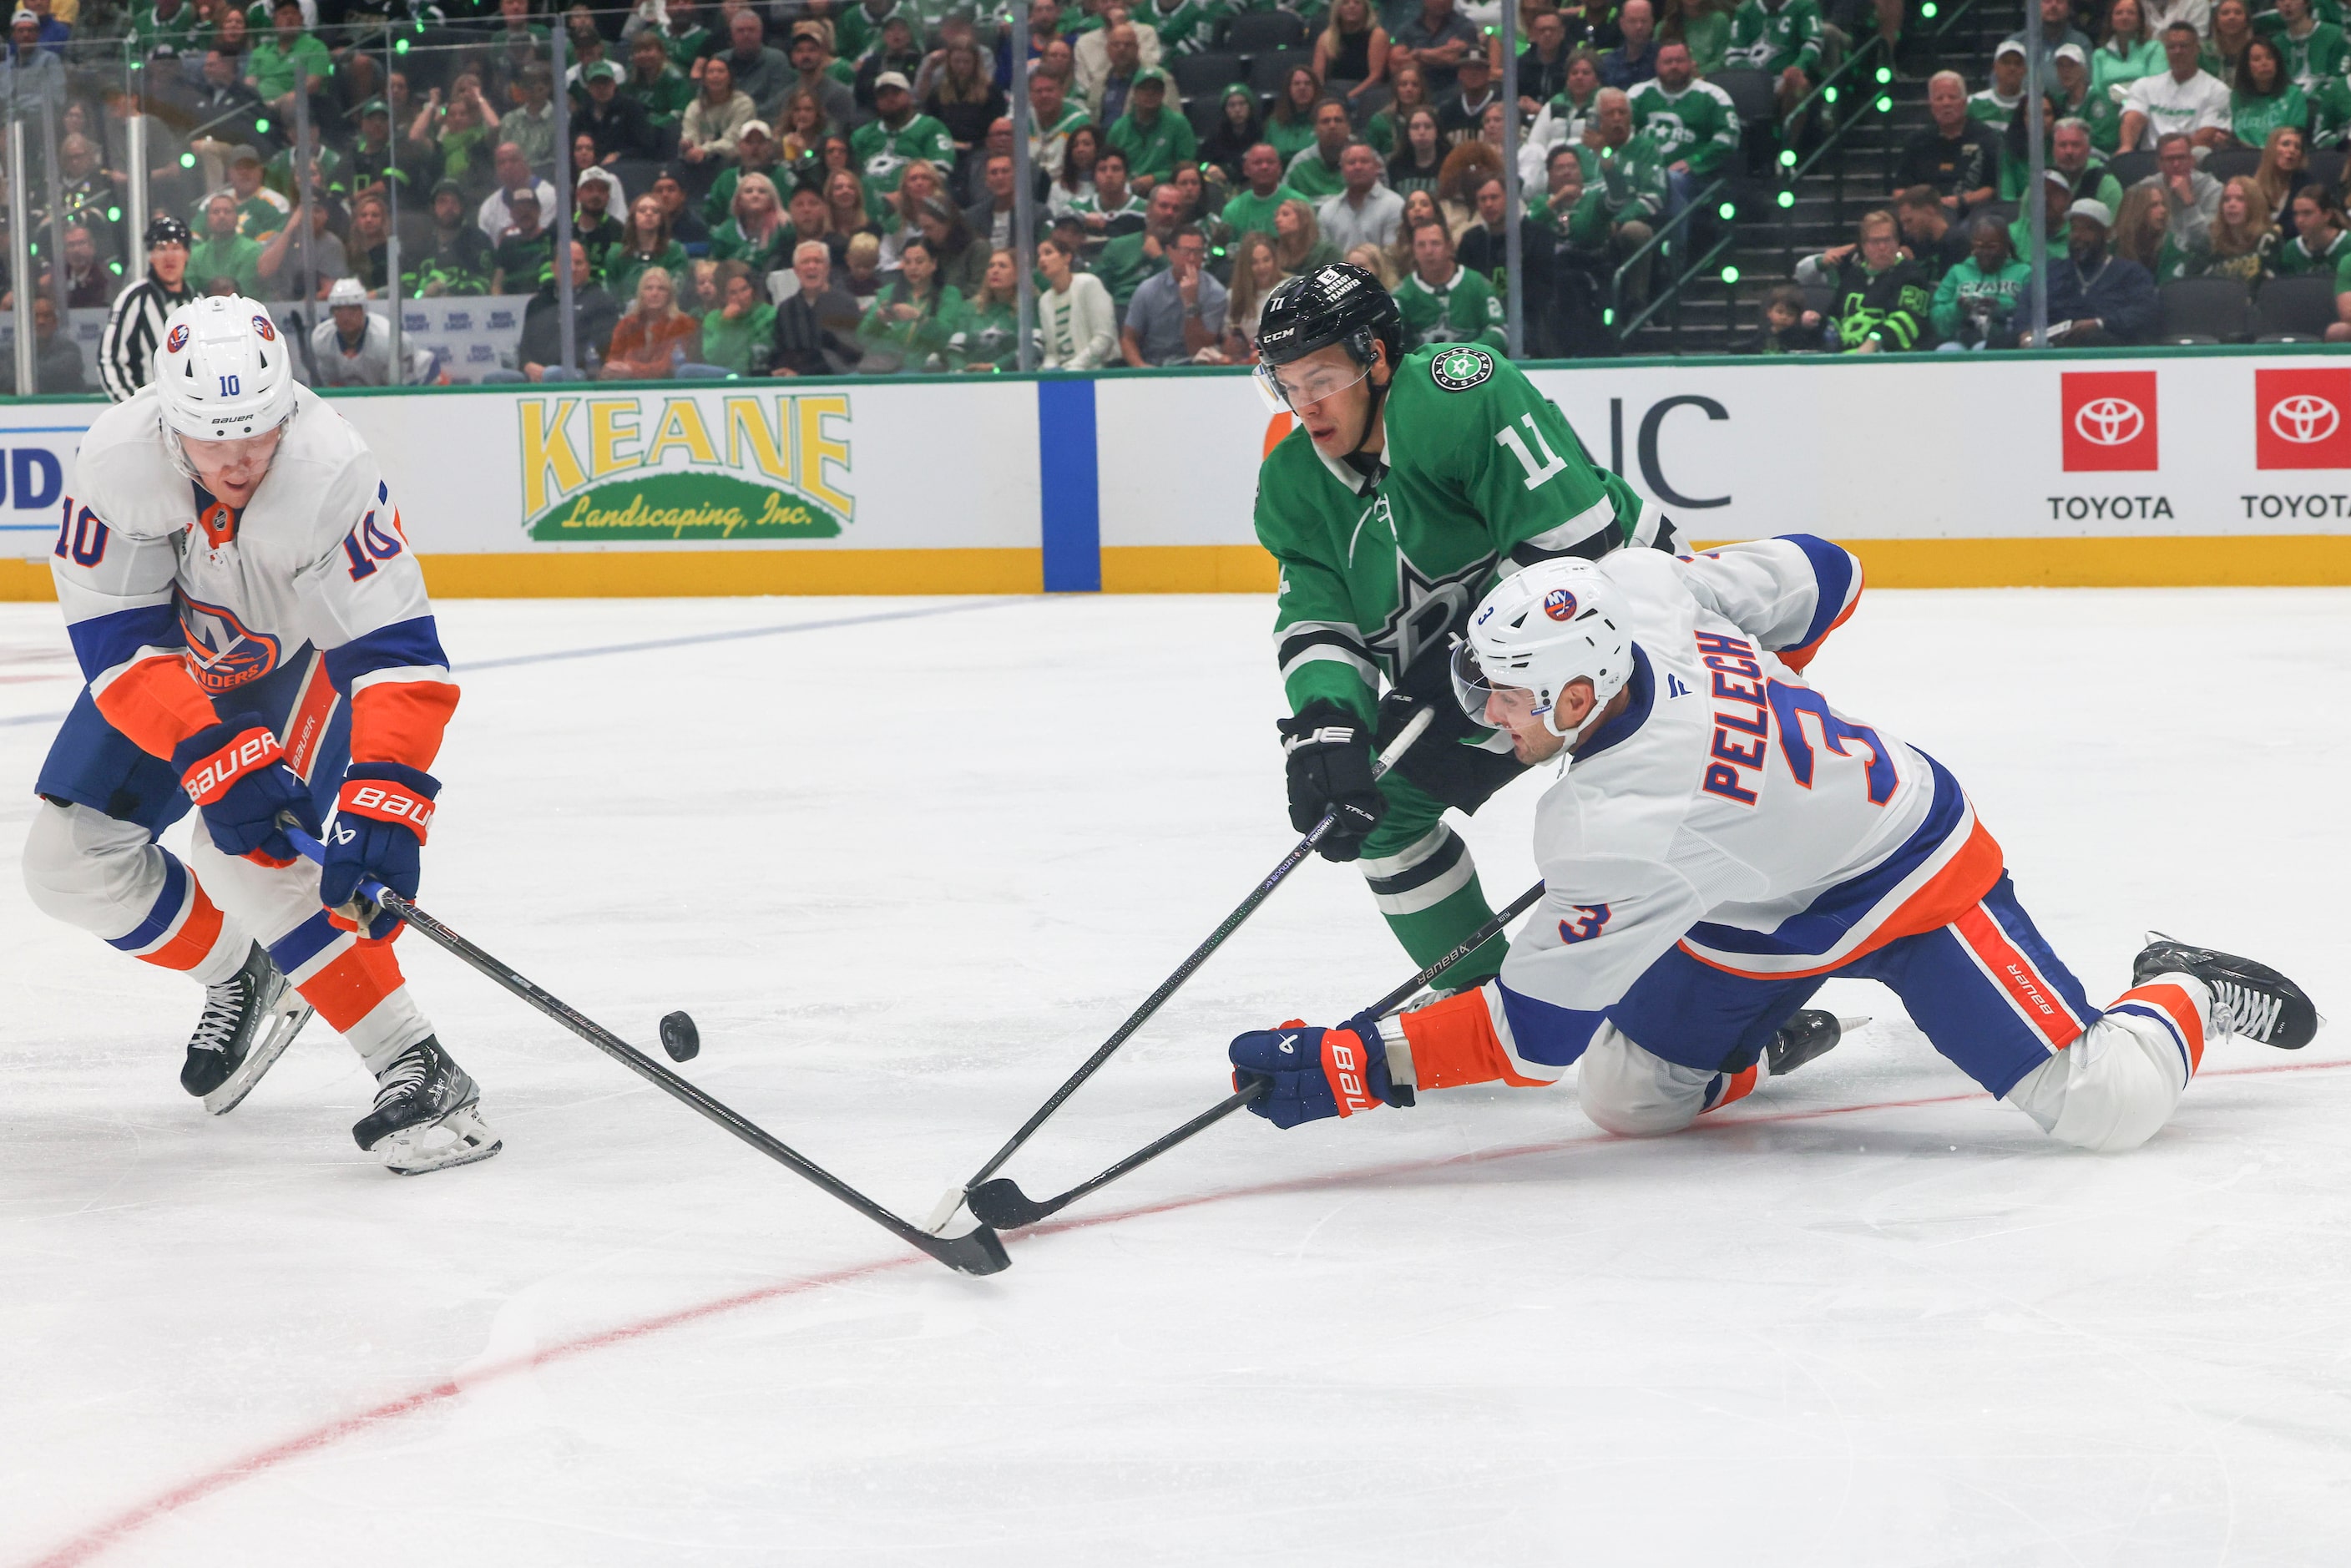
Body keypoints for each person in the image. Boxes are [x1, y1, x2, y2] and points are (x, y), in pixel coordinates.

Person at [1226, 549, 2319, 1159]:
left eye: (1504, 696)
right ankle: (1774, 1028)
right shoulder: (1643, 591)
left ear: (1575, 691)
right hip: (1745, 899)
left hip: (1907, 875)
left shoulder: (1610, 824)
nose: (1484, 716)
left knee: (2105, 1105)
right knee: (1629, 1097)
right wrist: (1762, 683)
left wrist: (1351, 1066)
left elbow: (1529, 1036)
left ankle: (2179, 982)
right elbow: (1827, 574)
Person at [25, 295, 504, 1175]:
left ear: (287, 405)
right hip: (168, 671)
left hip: (295, 665)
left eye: (258, 433)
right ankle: (241, 967)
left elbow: (396, 657)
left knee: (242, 856)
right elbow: (119, 646)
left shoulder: (328, 470)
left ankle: (417, 1065)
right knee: (65, 864)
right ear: (170, 421)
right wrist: (212, 754)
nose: (239, 460)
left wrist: (385, 803)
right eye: (214, 439)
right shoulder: (116, 463)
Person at [1246, 261, 1671, 994]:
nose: (1304, 406)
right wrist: (1329, 723)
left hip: (1631, 620)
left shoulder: (1458, 392)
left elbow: (1582, 555)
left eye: (1320, 380)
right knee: (1381, 813)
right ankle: (1488, 1002)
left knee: (1650, 793)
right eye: (1286, 385)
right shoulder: (1292, 482)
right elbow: (1318, 620)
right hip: (1488, 676)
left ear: (1375, 359)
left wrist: (1459, 673)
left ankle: (1725, 991)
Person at [1794, 208, 1934, 352]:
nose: (1882, 247)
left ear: (1897, 241)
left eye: (1887, 240)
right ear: (1864, 246)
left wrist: (1875, 341)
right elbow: (1836, 317)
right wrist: (1819, 321)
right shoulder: (1853, 275)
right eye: (1875, 241)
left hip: (1890, 359)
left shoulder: (1911, 275)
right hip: (1845, 357)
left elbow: (1908, 320)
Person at [1628, 39, 1739, 217]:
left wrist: (1694, 161)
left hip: (1694, 177)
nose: (1674, 66)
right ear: (1656, 65)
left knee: (1671, 179)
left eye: (1679, 61)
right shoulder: (1637, 94)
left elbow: (1728, 139)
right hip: (1642, 172)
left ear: (1691, 62)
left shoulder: (1714, 95)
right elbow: (1622, 134)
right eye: (1667, 62)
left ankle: (1676, 244)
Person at [100, 215, 198, 401]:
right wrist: (134, 408)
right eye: (161, 248)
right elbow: (110, 360)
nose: (169, 256)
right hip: (149, 415)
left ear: (187, 254)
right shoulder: (134, 299)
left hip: (191, 418)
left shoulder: (196, 301)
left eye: (176, 248)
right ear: (151, 256)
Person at [2041, 198, 2158, 345]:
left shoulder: (2131, 273)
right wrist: (2025, 333)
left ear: (2107, 234)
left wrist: (2100, 323)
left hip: (2112, 351)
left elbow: (2145, 310)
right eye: (2074, 228)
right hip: (2057, 351)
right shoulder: (2054, 270)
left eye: (2087, 229)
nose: (2078, 235)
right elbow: (2028, 305)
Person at [1895, 72, 2004, 225]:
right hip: (1923, 214)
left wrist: (1961, 200)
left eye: (1952, 97)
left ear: (1964, 102)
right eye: (1939, 98)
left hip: (1970, 212)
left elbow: (1992, 188)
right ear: (1931, 105)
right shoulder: (1916, 141)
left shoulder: (1986, 137)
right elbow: (1900, 189)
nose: (1946, 103)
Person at [1121, 223, 1226, 365]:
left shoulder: (1215, 292)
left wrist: (1191, 305)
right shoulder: (1148, 289)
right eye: (1185, 252)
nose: (1191, 258)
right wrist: (1141, 366)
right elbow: (1128, 338)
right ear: (1170, 252)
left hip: (1195, 365)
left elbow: (1199, 350)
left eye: (1197, 252)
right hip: (1153, 364)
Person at [2121, 23, 2233, 152]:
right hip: (2150, 157)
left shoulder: (2217, 89)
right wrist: (2126, 147)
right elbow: (2131, 120)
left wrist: (2171, 155)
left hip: (2193, 158)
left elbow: (2207, 135)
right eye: (2171, 47)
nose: (2177, 51)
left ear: (2197, 49)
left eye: (2184, 46)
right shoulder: (2144, 85)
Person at [518, 240, 622, 377]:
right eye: (566, 263)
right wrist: (527, 365)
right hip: (536, 376)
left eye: (578, 263)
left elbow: (601, 350)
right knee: (496, 378)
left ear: (588, 268)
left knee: (553, 374)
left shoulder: (602, 302)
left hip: (581, 376)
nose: (572, 268)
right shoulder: (537, 304)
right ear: (553, 268)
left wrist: (551, 370)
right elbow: (525, 347)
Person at [309, 276, 436, 387]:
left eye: (352, 309)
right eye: (339, 309)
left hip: (420, 380)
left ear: (364, 310)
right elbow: (333, 385)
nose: (346, 316)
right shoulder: (322, 338)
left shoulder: (386, 339)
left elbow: (395, 393)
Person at [852, 69, 957, 195]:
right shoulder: (861, 135)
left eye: (896, 93)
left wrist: (901, 198)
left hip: (915, 202)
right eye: (883, 95)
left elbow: (939, 173)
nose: (889, 98)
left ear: (910, 96)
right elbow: (848, 176)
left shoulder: (931, 128)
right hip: (867, 203)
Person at [1930, 215, 2030, 348]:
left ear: (2006, 245)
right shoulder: (1957, 272)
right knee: (1946, 350)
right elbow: (1937, 320)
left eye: (1992, 247)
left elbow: (2031, 313)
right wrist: (1958, 308)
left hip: (2005, 343)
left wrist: (2000, 307)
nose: (1984, 253)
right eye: (1979, 246)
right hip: (1962, 339)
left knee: (1981, 348)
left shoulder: (2024, 272)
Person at [768, 238, 862, 373]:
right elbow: (782, 350)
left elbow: (847, 355)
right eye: (805, 262)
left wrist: (802, 374)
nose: (811, 266)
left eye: (817, 261)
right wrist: (780, 369)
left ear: (827, 268)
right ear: (796, 271)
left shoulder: (846, 304)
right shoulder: (786, 309)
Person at [1726, 0, 1823, 118]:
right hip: (1752, 77)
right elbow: (1734, 56)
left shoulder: (1805, 5)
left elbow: (1813, 43)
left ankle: (1789, 135)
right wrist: (1756, 80)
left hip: (1785, 76)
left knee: (1799, 85)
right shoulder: (1745, 9)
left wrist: (1798, 67)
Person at [1106, 66, 1194, 195]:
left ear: (1163, 94)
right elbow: (1109, 166)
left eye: (1156, 89)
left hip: (1168, 193)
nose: (1150, 93)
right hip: (1127, 194)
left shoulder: (1178, 124)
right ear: (1134, 93)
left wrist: (1155, 179)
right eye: (1144, 88)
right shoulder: (1119, 128)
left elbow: (1187, 168)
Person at [603, 265, 703, 377]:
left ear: (669, 295)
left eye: (661, 288)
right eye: (649, 288)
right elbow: (613, 362)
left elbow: (669, 367)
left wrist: (632, 370)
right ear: (641, 294)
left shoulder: (683, 323)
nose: (654, 293)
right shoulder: (626, 324)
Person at [1034, 232, 1116, 367]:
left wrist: (1075, 366)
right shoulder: (1044, 300)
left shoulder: (1088, 284)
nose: (1042, 260)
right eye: (1039, 256)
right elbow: (1052, 352)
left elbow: (1104, 338)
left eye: (1048, 253)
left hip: (1095, 371)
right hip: (1064, 373)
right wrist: (1049, 370)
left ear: (1067, 258)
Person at [2186, 175, 2279, 281]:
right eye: (2226, 199)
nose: (2231, 204)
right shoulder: (2210, 242)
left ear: (2255, 204)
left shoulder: (2268, 240)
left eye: (2240, 199)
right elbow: (2191, 283)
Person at [1319, 143, 1407, 253]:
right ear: (1342, 170)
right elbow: (1326, 257)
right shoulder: (1328, 211)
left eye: (1364, 161)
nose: (1358, 167)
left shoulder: (1395, 205)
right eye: (1351, 163)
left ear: (1377, 167)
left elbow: (1393, 256)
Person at [944, 247, 1020, 370]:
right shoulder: (969, 308)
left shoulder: (1028, 309)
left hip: (1014, 381)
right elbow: (955, 348)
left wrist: (995, 368)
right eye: (991, 266)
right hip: (971, 381)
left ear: (1017, 274)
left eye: (1002, 266)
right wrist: (962, 374)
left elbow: (1032, 348)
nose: (995, 271)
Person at [2231, 38, 2308, 153]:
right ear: (2246, 67)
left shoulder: (2294, 94)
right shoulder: (2237, 97)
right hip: (2243, 156)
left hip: (2280, 157)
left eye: (2270, 58)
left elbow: (2295, 135)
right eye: (2257, 59)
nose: (2264, 63)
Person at [681, 54, 756, 169]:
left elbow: (734, 142)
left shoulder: (744, 104)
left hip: (734, 161)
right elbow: (689, 136)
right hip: (700, 160)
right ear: (704, 80)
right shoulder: (694, 106)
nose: (715, 75)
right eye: (710, 72)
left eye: (721, 71)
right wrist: (691, 148)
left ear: (730, 78)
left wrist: (704, 150)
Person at [1221, 231, 1285, 359]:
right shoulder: (1233, 296)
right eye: (1254, 262)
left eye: (1266, 260)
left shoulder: (1287, 289)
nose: (1262, 267)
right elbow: (1228, 339)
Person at [1287, 99, 1360, 203]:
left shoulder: (1367, 160)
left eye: (1338, 120)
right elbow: (1284, 205)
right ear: (1315, 129)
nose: (1332, 126)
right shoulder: (1299, 165)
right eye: (1325, 121)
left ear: (1348, 127)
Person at [1319, 0, 1391, 101]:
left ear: (1366, 8)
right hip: (1332, 93)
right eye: (1345, 3)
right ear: (1338, 9)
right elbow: (1318, 77)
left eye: (1357, 2)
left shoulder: (1377, 35)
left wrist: (1348, 96)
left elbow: (1376, 76)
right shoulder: (1326, 37)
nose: (1351, 6)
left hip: (1365, 94)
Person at [2279, 185, 2351, 276]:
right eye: (2296, 214)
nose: (2299, 220)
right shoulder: (2291, 250)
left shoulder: (2348, 245)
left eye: (2307, 213)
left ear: (2327, 215)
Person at [1388, 107, 1449, 199]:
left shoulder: (1450, 163)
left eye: (1428, 127)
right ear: (1407, 132)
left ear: (1437, 131)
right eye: (1415, 127)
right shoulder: (1395, 165)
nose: (1422, 132)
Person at [1601, 0, 1661, 89]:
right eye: (1632, 21)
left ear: (1652, 23)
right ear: (1622, 24)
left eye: (1644, 21)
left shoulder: (1662, 59)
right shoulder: (1609, 63)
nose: (1639, 27)